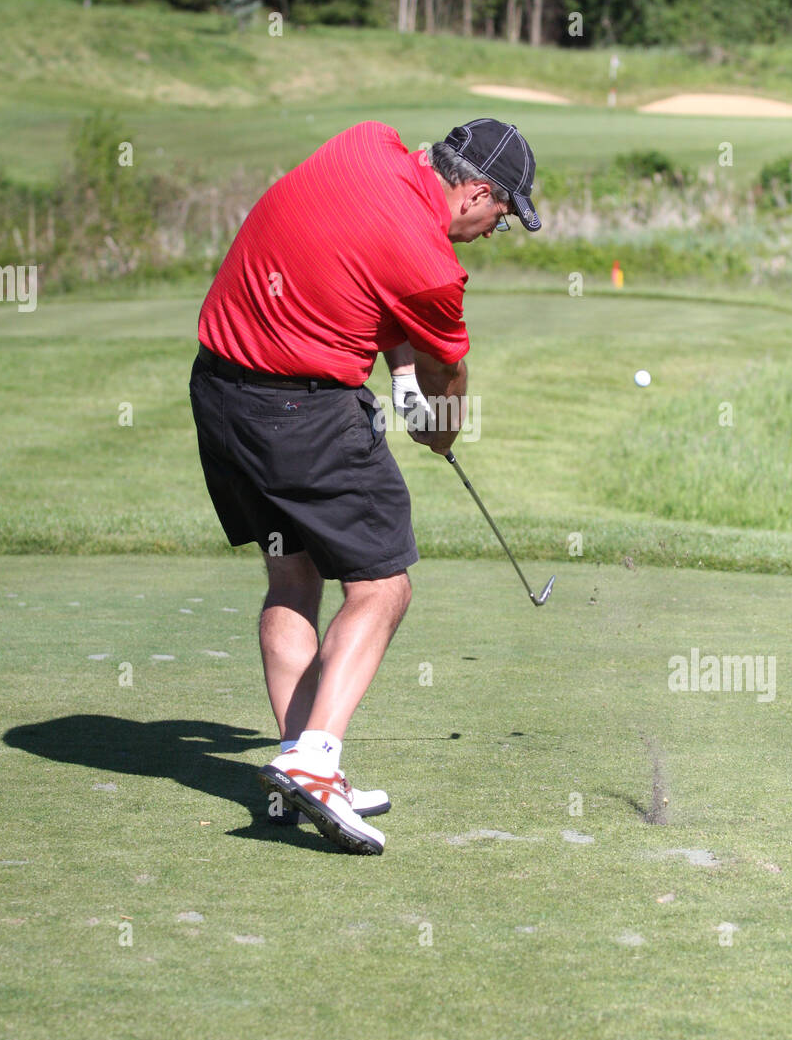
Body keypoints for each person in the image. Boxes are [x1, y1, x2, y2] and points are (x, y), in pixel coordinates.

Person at [189, 117, 540, 855]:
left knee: (293, 573)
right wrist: (439, 425)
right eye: (501, 215)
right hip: (301, 412)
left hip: (221, 391)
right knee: (383, 586)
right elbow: (450, 379)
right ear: (476, 191)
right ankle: (316, 761)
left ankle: (295, 765)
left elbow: (348, 251)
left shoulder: (366, 143)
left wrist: (399, 370)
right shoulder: (434, 268)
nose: (491, 230)